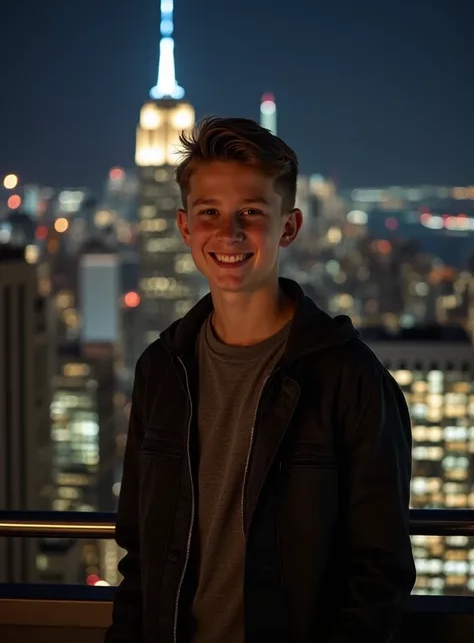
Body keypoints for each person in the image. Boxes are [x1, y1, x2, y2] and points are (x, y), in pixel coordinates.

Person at [105, 117, 416, 643]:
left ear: (289, 227)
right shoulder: (161, 370)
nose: (228, 234)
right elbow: (140, 557)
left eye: (250, 212)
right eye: (210, 213)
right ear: (184, 227)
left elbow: (378, 572)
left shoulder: (350, 379)